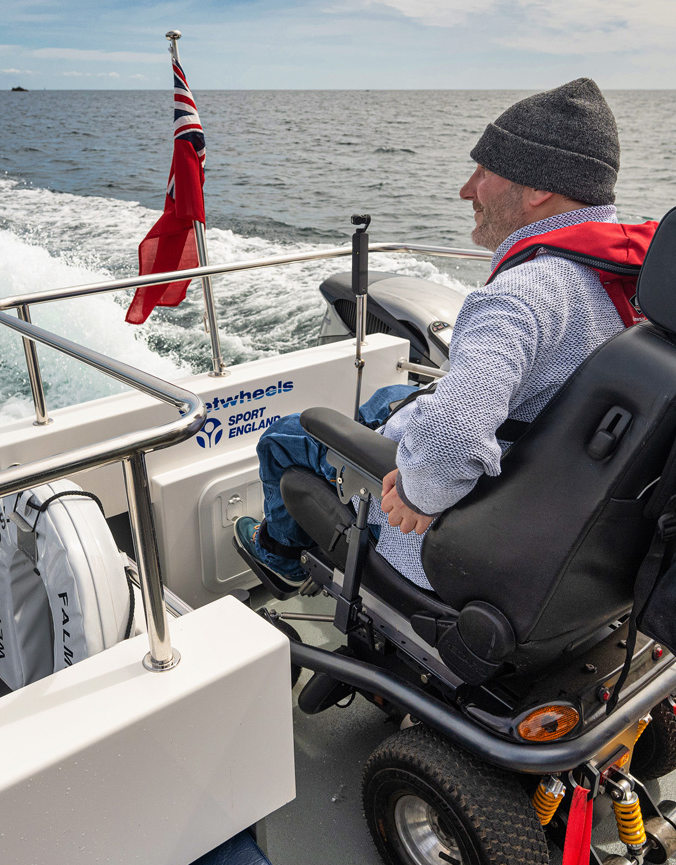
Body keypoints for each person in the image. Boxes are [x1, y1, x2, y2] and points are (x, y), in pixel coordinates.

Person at [234, 77, 630, 592]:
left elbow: (453, 441)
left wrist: (418, 496)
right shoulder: (630, 281)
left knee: (287, 438)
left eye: (485, 171)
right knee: (392, 396)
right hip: (562, 523)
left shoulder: (523, 295)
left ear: (539, 189)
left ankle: (281, 558)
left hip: (458, 538)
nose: (467, 189)